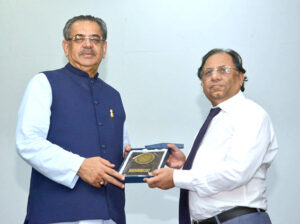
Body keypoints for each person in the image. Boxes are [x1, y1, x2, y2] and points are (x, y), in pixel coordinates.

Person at [16, 15, 131, 224]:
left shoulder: (113, 96)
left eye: (95, 39)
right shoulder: (44, 83)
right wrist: (79, 166)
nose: (88, 44)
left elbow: (121, 150)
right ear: (65, 46)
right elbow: (28, 142)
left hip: (110, 215)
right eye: (79, 38)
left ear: (104, 49)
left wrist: (143, 160)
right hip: (58, 214)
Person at [144, 48, 278, 224]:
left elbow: (236, 173)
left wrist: (176, 178)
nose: (214, 76)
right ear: (201, 83)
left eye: (223, 70)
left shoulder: (250, 114)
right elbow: (216, 169)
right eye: (208, 72)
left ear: (240, 77)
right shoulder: (215, 120)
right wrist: (185, 166)